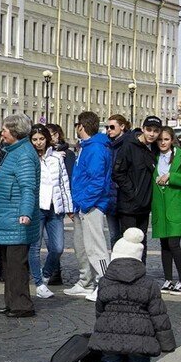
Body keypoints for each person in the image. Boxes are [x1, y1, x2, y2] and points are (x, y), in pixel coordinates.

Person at [88, 228, 176, 362]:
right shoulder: (149, 283)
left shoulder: (105, 281)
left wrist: (102, 328)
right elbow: (159, 315)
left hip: (109, 333)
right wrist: (167, 343)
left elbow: (99, 309)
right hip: (140, 336)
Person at [0, 114, 40, 318]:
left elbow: (28, 187)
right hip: (9, 215)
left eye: (5, 130)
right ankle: (11, 302)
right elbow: (13, 179)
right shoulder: (15, 151)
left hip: (17, 217)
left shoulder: (23, 154)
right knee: (9, 263)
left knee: (17, 264)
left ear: (15, 132)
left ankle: (22, 305)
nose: (2, 133)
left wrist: (25, 212)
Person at [64, 111, 112, 302]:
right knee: (82, 246)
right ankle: (87, 282)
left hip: (92, 204)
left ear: (81, 126)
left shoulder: (95, 149)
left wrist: (84, 202)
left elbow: (96, 180)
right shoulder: (88, 147)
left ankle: (105, 284)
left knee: (96, 247)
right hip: (83, 204)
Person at [27, 125, 72, 299]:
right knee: (35, 247)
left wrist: (68, 207)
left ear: (47, 139)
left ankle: (45, 275)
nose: (39, 143)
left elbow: (64, 183)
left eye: (41, 139)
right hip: (37, 207)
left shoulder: (56, 158)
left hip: (55, 207)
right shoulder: (30, 159)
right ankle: (38, 283)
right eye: (35, 139)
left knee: (58, 247)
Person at [150, 127, 181, 295]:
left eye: (166, 139)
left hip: (176, 204)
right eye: (160, 139)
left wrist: (171, 177)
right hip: (159, 206)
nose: (163, 142)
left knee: (174, 243)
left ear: (172, 140)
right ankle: (168, 279)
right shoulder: (153, 157)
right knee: (164, 244)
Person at [112, 116, 162, 263]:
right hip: (129, 204)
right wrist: (133, 193)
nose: (152, 134)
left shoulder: (154, 148)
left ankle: (140, 273)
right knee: (129, 242)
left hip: (145, 205)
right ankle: (126, 275)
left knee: (141, 242)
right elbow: (117, 173)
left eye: (155, 131)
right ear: (143, 128)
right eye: (149, 130)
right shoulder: (129, 146)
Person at [104, 114, 131, 248]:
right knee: (114, 235)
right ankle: (116, 264)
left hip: (124, 196)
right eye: (107, 127)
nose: (109, 129)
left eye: (112, 127)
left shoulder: (129, 144)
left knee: (126, 235)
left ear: (122, 126)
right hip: (110, 196)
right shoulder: (108, 145)